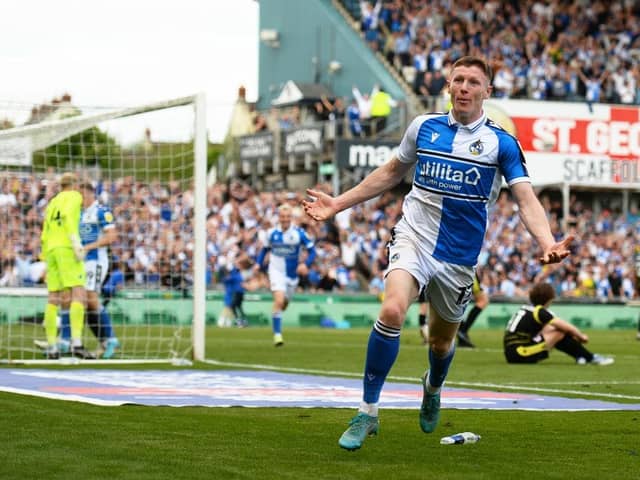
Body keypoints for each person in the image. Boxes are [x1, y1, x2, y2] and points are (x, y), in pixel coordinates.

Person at [302, 55, 573, 451]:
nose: (464, 87)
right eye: (458, 79)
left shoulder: (502, 144)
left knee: (441, 344)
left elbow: (525, 199)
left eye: (473, 82)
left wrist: (546, 242)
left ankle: (433, 387)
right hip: (413, 236)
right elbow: (392, 172)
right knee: (392, 310)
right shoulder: (423, 127)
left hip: (458, 257)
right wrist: (338, 204)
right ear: (448, 85)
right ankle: (367, 412)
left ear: (487, 91)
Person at [39, 172, 94, 359]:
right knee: (79, 292)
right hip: (66, 247)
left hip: (51, 250)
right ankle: (77, 344)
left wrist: (45, 255)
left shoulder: (52, 202)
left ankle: (53, 347)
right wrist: (75, 241)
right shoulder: (74, 196)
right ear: (74, 184)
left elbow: (44, 231)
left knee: (53, 297)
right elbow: (68, 216)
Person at [504, 282, 614, 365]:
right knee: (560, 332)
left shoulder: (526, 308)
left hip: (512, 353)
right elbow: (567, 327)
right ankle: (589, 357)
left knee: (554, 330)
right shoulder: (540, 311)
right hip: (520, 353)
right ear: (548, 299)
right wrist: (581, 337)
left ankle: (581, 356)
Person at [256, 204, 316, 346]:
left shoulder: (299, 234)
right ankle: (277, 335)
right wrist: (258, 264)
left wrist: (305, 264)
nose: (285, 219)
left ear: (291, 218)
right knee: (279, 301)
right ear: (279, 217)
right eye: (282, 216)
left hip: (292, 275)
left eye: (287, 216)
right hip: (276, 271)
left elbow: (312, 251)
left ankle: (276, 313)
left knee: (284, 303)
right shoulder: (271, 233)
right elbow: (264, 250)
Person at [456, 274, 490, 348]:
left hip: (451, 270)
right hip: (467, 269)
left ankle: (461, 333)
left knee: (456, 301)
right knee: (483, 301)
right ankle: (463, 331)